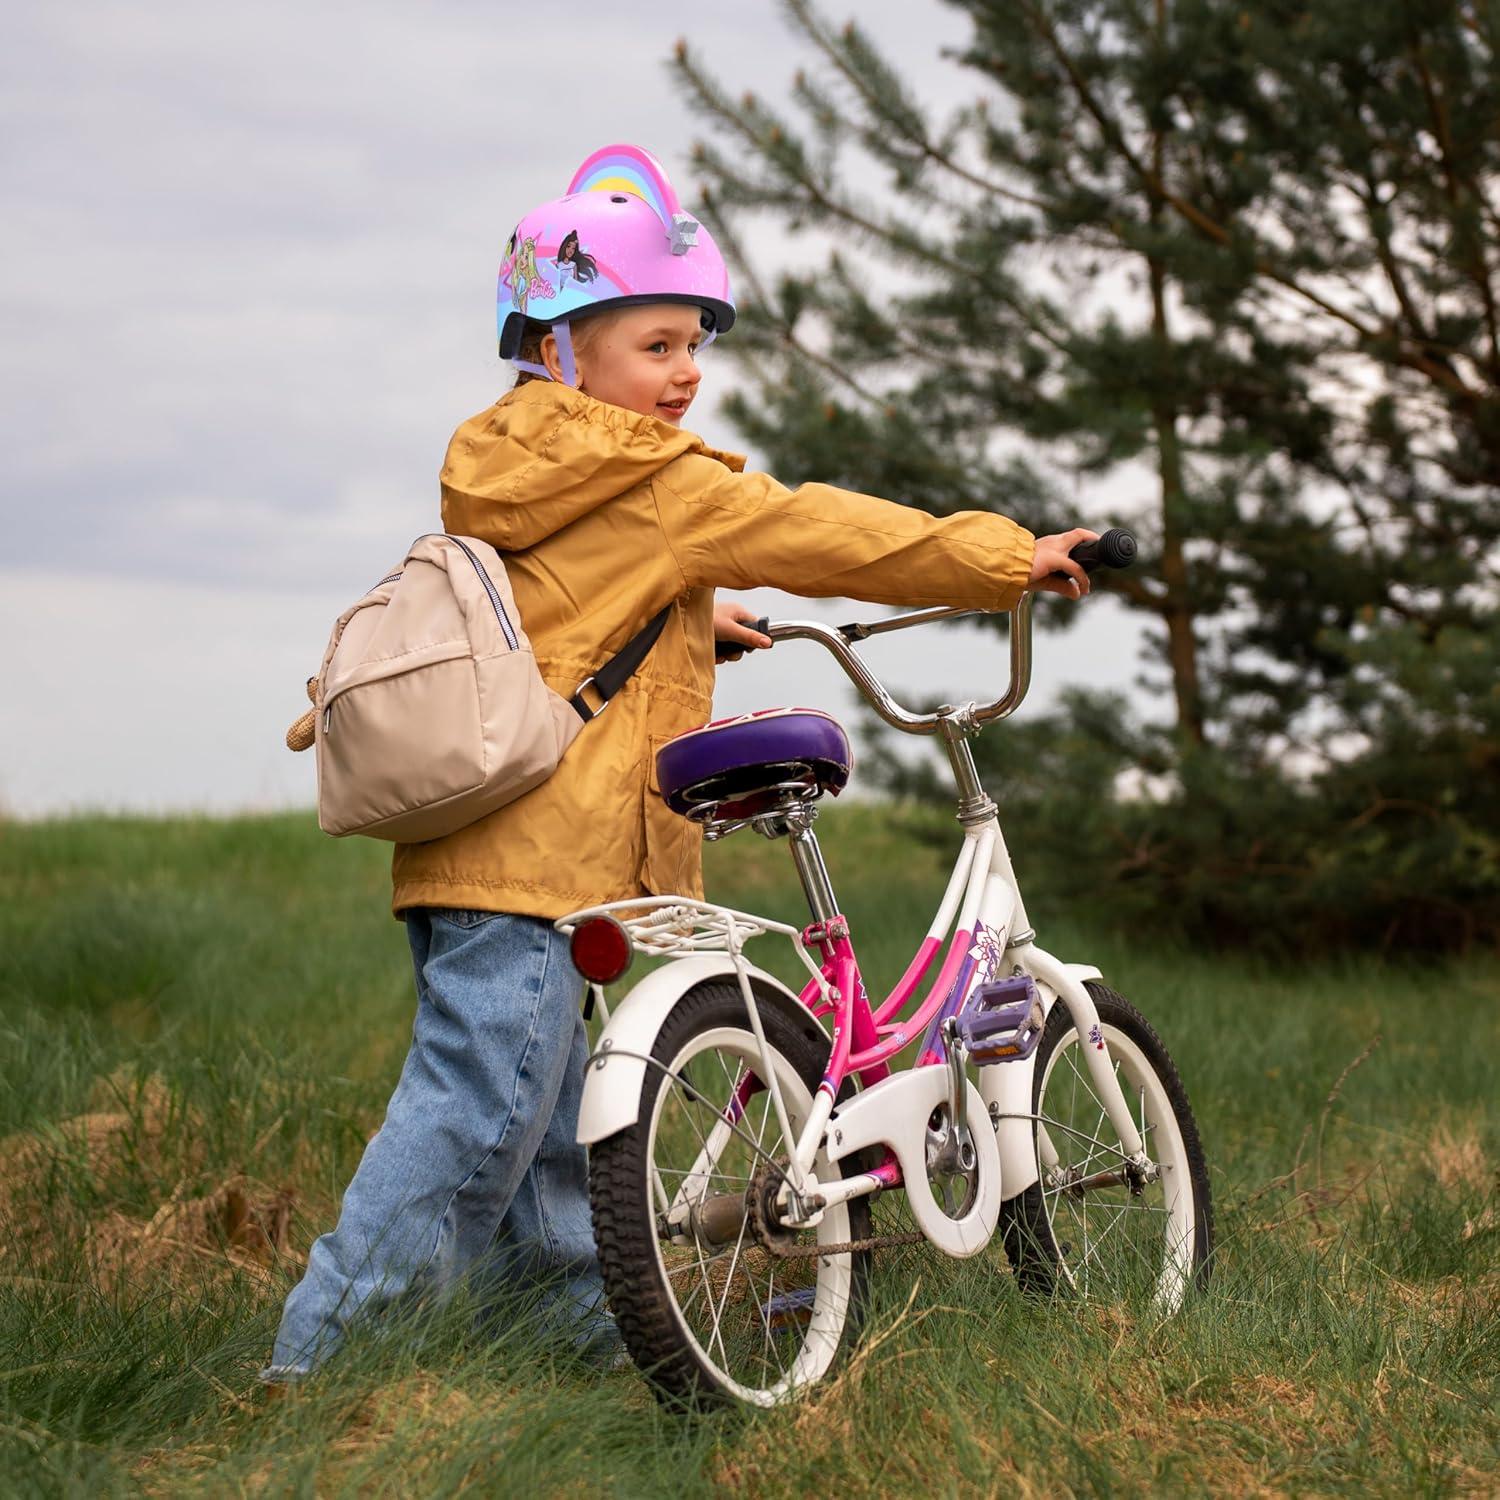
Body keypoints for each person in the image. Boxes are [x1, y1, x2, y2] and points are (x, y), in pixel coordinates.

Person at [263, 143, 1094, 1382]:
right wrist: (1001, 558)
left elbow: (550, 604)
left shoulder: (518, 460)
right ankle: (320, 1373)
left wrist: (683, 614)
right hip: (541, 861)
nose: (687, 375)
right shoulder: (652, 481)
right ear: (561, 351)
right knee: (475, 1118)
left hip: (474, 854)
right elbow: (825, 532)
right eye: (656, 346)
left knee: (545, 1136)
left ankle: (571, 1342)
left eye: (694, 345)